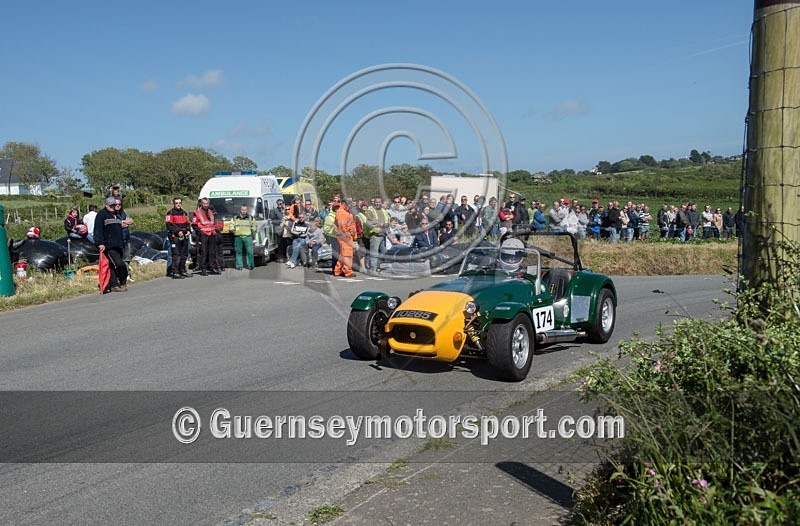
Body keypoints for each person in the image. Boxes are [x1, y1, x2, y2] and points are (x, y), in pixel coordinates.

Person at [94, 196, 128, 293]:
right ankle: (122, 282)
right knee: (120, 265)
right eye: (112, 205)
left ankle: (114, 285)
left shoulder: (118, 215)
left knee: (112, 265)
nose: (114, 207)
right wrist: (100, 243)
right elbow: (98, 230)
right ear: (106, 205)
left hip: (119, 244)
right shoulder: (102, 215)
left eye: (116, 205)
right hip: (108, 245)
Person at [165, 197, 192, 278]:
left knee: (184, 254)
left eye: (179, 203)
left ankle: (182, 270)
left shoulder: (184, 213)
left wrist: (188, 231)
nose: (178, 204)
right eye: (176, 203)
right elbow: (169, 225)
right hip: (175, 237)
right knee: (177, 255)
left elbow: (187, 224)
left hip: (184, 236)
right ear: (174, 204)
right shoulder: (170, 213)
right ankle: (175, 272)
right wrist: (177, 231)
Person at [193, 198, 219, 276]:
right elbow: (194, 224)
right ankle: (203, 268)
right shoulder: (197, 212)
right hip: (203, 234)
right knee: (203, 252)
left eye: (207, 203)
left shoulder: (210, 212)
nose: (206, 205)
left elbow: (213, 223)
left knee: (212, 252)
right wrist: (199, 232)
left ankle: (212, 267)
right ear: (201, 204)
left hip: (211, 234)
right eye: (204, 203)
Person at [366, 197, 389, 273]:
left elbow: (388, 220)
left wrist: (386, 224)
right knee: (374, 252)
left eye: (379, 202)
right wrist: (380, 224)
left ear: (381, 203)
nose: (378, 203)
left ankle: (380, 266)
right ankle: (373, 268)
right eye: (376, 202)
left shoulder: (384, 210)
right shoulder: (370, 211)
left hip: (383, 234)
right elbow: (369, 223)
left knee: (384, 252)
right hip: (375, 234)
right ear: (374, 202)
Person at [334, 200, 357, 277]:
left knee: (343, 254)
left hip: (346, 236)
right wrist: (348, 234)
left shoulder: (345, 212)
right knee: (347, 254)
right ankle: (347, 271)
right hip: (345, 237)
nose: (351, 206)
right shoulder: (343, 213)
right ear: (344, 204)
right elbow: (342, 226)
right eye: (349, 204)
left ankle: (338, 270)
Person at [230, 203, 256, 270]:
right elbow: (231, 224)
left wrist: (253, 230)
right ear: (240, 210)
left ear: (247, 210)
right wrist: (232, 229)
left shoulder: (250, 218)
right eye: (242, 210)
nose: (244, 211)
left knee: (250, 252)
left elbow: (254, 225)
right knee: (238, 252)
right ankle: (239, 266)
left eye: (245, 210)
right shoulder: (235, 218)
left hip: (248, 237)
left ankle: (250, 265)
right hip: (238, 237)